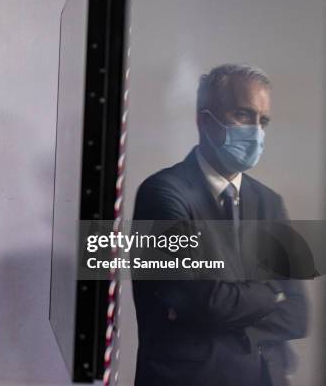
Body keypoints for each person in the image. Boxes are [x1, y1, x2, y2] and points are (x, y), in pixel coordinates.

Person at [131, 64, 308, 386]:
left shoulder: (269, 202)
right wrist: (272, 293)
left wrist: (226, 309)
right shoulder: (162, 193)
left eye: (263, 120)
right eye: (243, 115)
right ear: (203, 119)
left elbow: (298, 314)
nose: (256, 131)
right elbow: (204, 300)